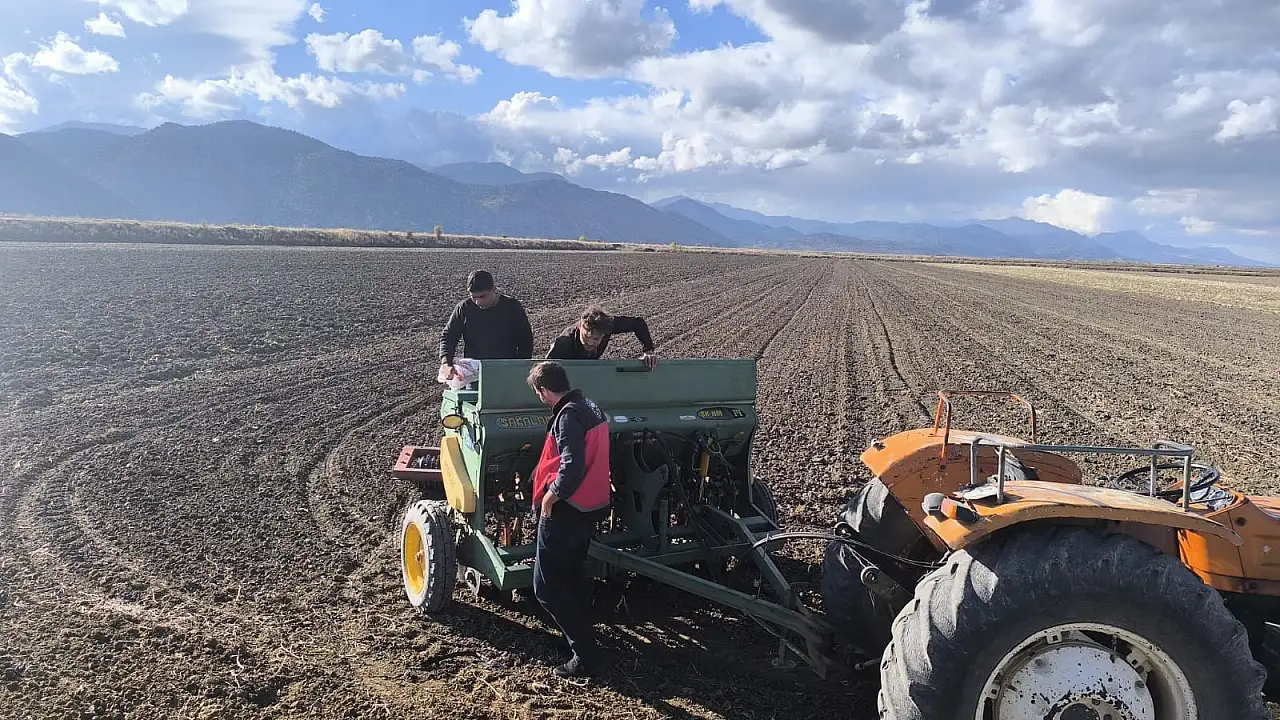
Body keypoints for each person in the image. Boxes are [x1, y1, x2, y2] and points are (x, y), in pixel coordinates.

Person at [527, 361, 612, 678]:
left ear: (544, 391)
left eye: (538, 393)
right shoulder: (590, 406)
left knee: (546, 587)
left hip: (566, 509)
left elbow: (572, 467)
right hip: (590, 507)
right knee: (573, 576)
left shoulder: (568, 416)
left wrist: (552, 495)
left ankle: (585, 655)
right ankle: (578, 640)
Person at [438, 270, 534, 380]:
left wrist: (519, 367)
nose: (478, 302)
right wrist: (446, 363)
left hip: (506, 370)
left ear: (493, 289)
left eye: (482, 296)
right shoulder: (464, 308)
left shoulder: (512, 307)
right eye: (474, 297)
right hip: (474, 372)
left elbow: (525, 339)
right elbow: (449, 336)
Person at [546, 304, 659, 368]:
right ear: (580, 326)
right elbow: (544, 369)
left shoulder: (607, 325)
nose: (590, 343)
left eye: (596, 339)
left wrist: (648, 350)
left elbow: (638, 323)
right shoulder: (563, 344)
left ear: (605, 333)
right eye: (586, 336)